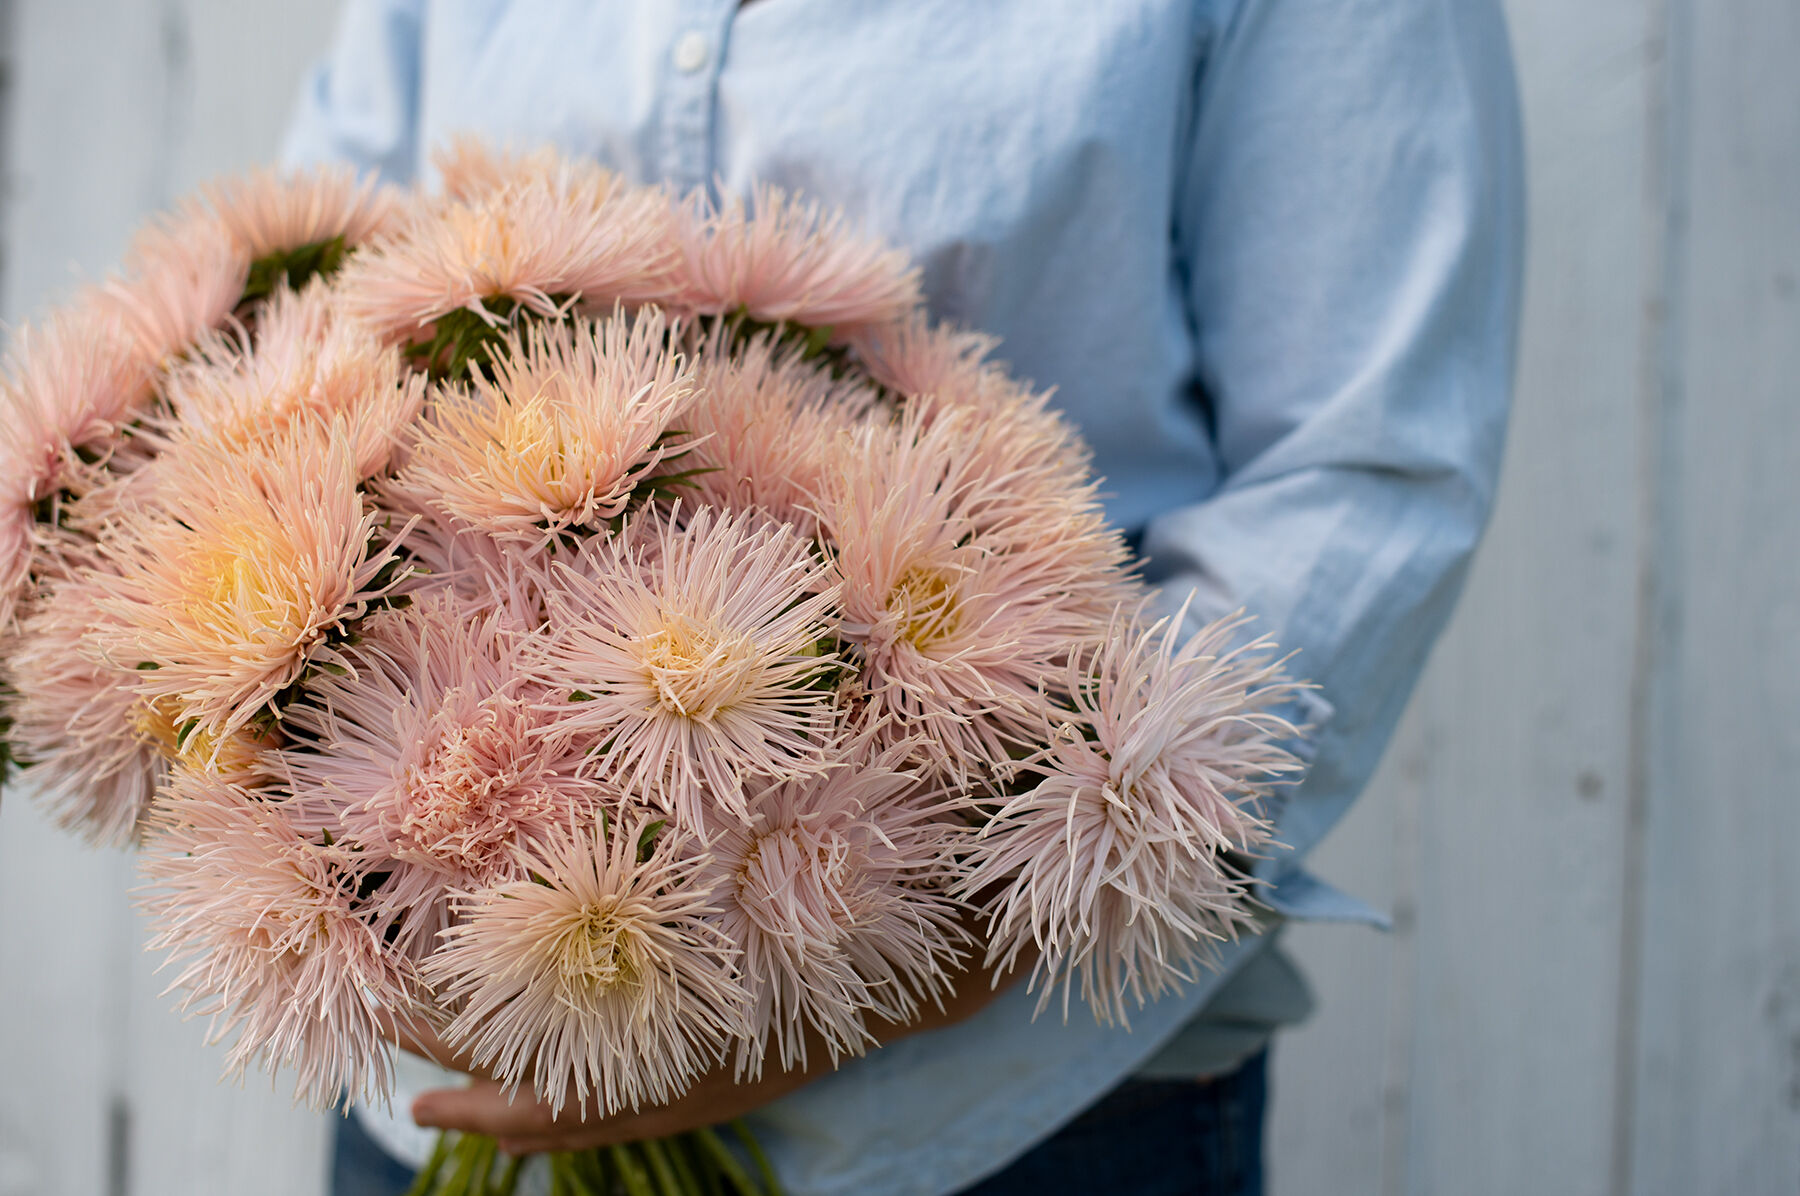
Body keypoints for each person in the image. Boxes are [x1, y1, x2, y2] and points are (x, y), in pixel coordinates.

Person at [283, 2, 1524, 1193]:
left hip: (1012, 1117)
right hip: (444, 1093)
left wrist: (926, 950)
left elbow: (1363, 473)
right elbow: (310, 310)